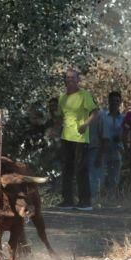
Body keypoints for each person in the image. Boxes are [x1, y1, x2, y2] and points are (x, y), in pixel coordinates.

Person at [54, 68, 97, 210]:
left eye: (73, 78)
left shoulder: (84, 95)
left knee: (81, 169)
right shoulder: (62, 97)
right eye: (67, 78)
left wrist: (85, 124)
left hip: (80, 137)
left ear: (78, 80)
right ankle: (67, 200)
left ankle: (85, 201)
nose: (70, 80)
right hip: (66, 137)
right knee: (67, 169)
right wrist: (55, 129)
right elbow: (61, 116)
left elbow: (94, 112)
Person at [89, 91, 124, 204]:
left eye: (117, 101)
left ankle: (111, 201)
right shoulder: (103, 116)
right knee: (100, 177)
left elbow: (126, 134)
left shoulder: (123, 118)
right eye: (113, 100)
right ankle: (98, 201)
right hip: (103, 150)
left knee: (114, 178)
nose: (115, 103)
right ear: (108, 101)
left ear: (120, 102)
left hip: (117, 150)